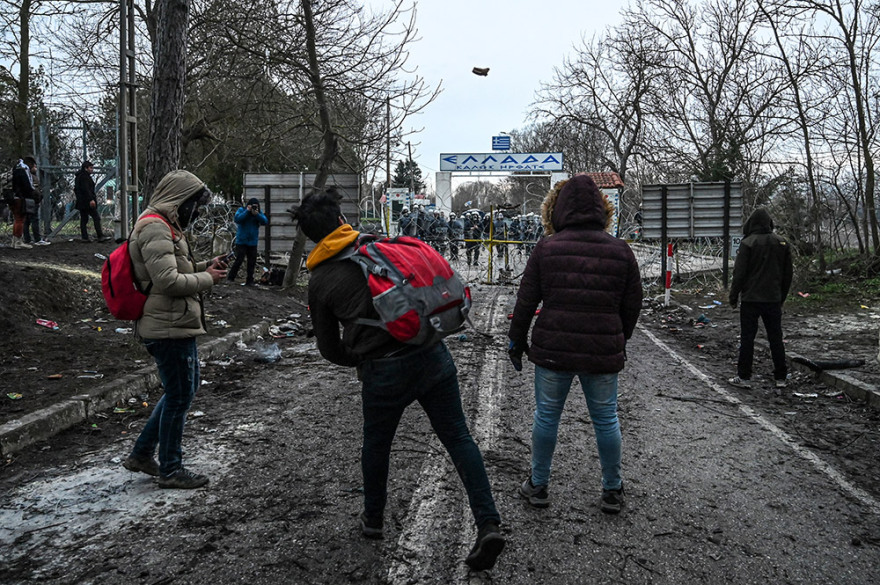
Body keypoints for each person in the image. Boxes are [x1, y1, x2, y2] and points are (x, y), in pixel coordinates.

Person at [293, 187, 505, 571]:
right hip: (431, 353)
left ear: (311, 237)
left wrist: (359, 356)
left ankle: (373, 520)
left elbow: (328, 347)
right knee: (458, 438)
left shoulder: (321, 278)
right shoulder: (382, 246)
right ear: (342, 220)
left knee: (377, 445)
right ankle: (488, 522)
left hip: (383, 370)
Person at [507, 174, 642, 514]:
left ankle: (538, 485)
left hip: (554, 347)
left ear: (559, 209)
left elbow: (526, 301)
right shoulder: (620, 250)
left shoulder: (546, 248)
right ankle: (612, 490)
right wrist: (619, 337)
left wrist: (516, 340)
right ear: (602, 208)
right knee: (606, 418)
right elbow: (633, 303)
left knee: (547, 416)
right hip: (602, 349)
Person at [121, 170, 228, 489]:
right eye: (193, 204)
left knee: (182, 390)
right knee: (180, 395)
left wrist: (205, 266)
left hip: (173, 322)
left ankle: (142, 454)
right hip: (166, 326)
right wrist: (208, 279)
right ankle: (170, 469)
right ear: (179, 199)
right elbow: (168, 282)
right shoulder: (155, 226)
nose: (195, 212)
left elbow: (173, 269)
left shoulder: (162, 224)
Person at [728, 208, 793, 390]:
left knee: (748, 338)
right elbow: (788, 275)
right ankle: (781, 377)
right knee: (776, 338)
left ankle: (744, 376)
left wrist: (734, 296)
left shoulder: (748, 243)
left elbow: (739, 274)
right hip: (773, 299)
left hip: (751, 299)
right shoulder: (782, 243)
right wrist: (781, 297)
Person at [227, 197, 268, 286]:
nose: (254, 208)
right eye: (252, 206)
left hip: (252, 242)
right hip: (242, 241)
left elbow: (265, 221)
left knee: (252, 262)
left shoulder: (258, 213)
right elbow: (237, 219)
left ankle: (250, 280)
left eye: (256, 206)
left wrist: (256, 214)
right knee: (239, 259)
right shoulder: (242, 210)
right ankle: (231, 277)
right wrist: (247, 211)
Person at [74, 161, 109, 242]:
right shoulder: (85, 177)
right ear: (85, 168)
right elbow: (86, 189)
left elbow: (77, 189)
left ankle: (85, 237)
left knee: (84, 219)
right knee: (96, 217)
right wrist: (91, 199)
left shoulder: (79, 176)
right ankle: (100, 236)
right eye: (90, 168)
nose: (92, 169)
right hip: (87, 202)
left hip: (82, 202)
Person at [10, 157, 39, 250]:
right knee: (20, 220)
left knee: (17, 219)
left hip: (13, 197)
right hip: (20, 198)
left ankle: (14, 241)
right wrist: (32, 194)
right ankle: (18, 242)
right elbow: (27, 186)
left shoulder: (16, 169)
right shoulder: (23, 170)